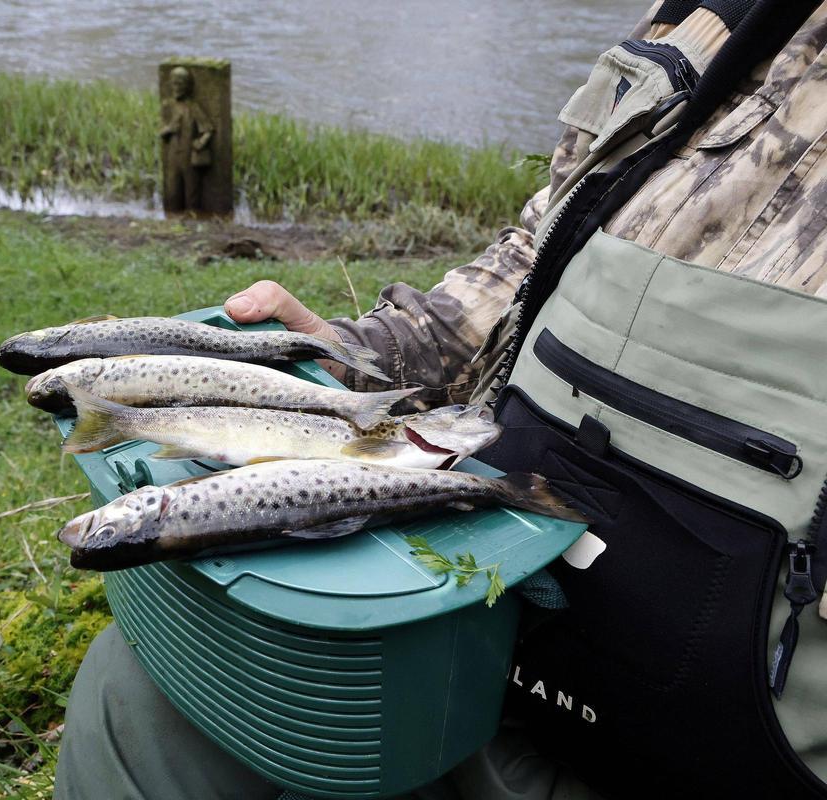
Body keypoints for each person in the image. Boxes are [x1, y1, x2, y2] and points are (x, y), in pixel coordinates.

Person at [55, 2, 827, 797]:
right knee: (135, 700)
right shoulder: (708, 16)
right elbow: (538, 252)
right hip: (475, 620)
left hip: (723, 750)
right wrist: (359, 364)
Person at [160, 66, 214, 214]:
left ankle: (192, 215)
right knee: (173, 189)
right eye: (174, 83)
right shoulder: (168, 106)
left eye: (181, 83)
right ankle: (172, 215)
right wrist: (169, 129)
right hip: (172, 155)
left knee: (191, 190)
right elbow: (161, 132)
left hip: (188, 155)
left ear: (188, 86)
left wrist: (200, 142)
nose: (176, 87)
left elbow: (208, 129)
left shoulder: (193, 108)